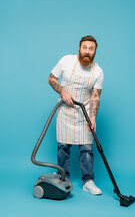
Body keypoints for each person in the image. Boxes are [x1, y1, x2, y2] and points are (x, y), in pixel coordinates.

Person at [48, 35, 104, 195]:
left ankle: (88, 181)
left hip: (84, 113)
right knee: (63, 147)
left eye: (91, 49)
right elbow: (51, 78)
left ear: (95, 51)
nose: (87, 51)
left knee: (87, 148)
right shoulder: (66, 61)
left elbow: (95, 96)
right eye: (85, 47)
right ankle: (62, 176)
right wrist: (63, 91)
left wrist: (93, 117)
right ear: (79, 48)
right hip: (65, 111)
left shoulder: (98, 71)